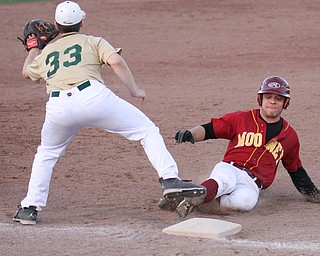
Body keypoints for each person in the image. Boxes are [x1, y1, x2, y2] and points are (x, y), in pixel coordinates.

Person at [13, 0, 205, 225]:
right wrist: (134, 90)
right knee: (146, 130)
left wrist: (34, 47)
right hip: (93, 97)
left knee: (46, 154)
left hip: (58, 107)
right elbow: (115, 60)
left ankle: (29, 208)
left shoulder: (46, 53)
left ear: (56, 24)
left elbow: (27, 72)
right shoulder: (92, 41)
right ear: (81, 23)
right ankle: (170, 180)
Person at [173, 76, 319, 217]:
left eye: (278, 99)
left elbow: (296, 170)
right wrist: (191, 134)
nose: (272, 102)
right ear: (260, 99)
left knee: (245, 202)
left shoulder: (290, 136)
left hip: (252, 184)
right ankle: (196, 195)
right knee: (224, 180)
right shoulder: (242, 118)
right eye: (268, 97)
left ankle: (194, 194)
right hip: (230, 167)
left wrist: (315, 195)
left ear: (285, 103)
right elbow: (212, 129)